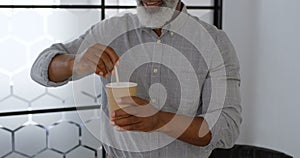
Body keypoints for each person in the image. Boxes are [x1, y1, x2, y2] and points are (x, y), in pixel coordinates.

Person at [31, 0, 242, 157]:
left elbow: (227, 128)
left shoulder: (215, 43)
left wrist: (159, 120)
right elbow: (39, 69)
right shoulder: (111, 30)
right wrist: (74, 62)